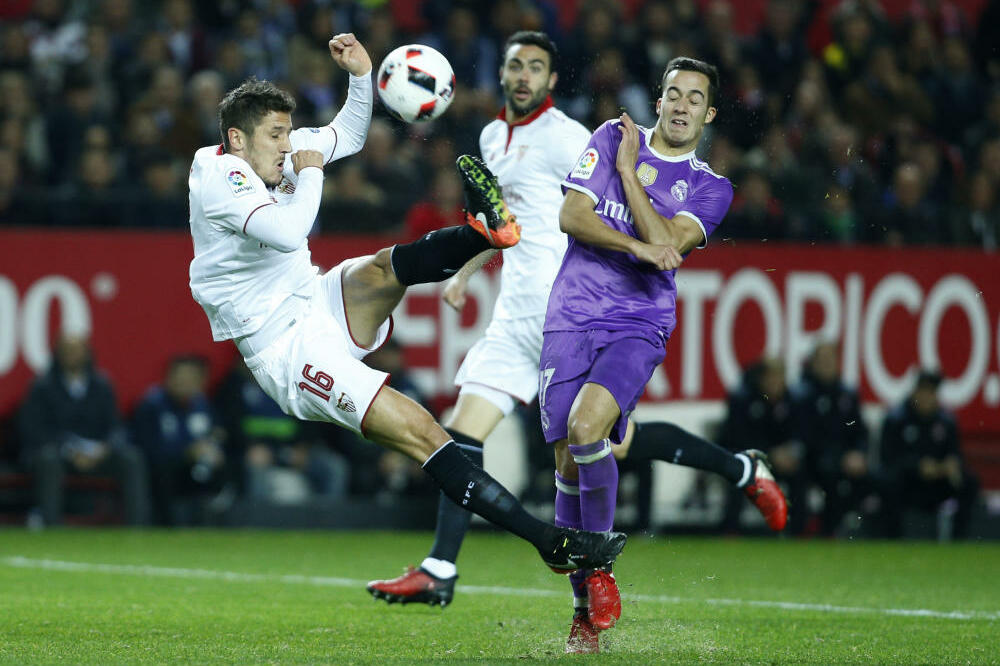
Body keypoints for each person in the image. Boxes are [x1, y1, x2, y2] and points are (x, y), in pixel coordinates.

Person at [366, 40, 785, 655]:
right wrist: (466, 272)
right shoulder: (514, 139)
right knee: (534, 448)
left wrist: (627, 183)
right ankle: (466, 573)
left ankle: (613, 556)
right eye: (673, 93)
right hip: (545, 315)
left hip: (622, 315)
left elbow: (660, 235)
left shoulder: (659, 167)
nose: (680, 106)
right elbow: (538, 218)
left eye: (696, 99)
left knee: (596, 434)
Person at [186, 33, 625, 578]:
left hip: (312, 296)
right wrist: (313, 168)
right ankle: (547, 541)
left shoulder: (276, 153)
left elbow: (346, 132)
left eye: (286, 133)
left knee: (382, 267)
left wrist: (360, 76)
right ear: (236, 139)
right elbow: (287, 227)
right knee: (425, 432)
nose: (285, 145)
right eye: (275, 135)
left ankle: (484, 233)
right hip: (285, 347)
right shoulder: (217, 176)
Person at [17, 333, 150, 526]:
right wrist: (69, 450)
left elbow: (115, 427)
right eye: (67, 351)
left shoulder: (102, 385)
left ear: (87, 354)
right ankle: (50, 525)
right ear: (57, 354)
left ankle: (138, 526)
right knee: (47, 460)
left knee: (132, 458)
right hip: (60, 454)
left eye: (76, 350)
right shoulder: (42, 387)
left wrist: (105, 449)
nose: (72, 355)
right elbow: (33, 430)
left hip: (98, 454)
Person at [880, 370, 980, 539]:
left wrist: (951, 465)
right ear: (915, 392)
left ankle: (959, 540)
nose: (927, 397)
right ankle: (893, 538)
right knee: (888, 482)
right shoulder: (896, 419)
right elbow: (888, 458)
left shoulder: (946, 421)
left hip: (936, 481)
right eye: (923, 391)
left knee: (969, 482)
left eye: (932, 392)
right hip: (909, 483)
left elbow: (954, 454)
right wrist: (917, 466)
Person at [792, 342, 878, 536]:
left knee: (876, 480)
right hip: (813, 460)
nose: (827, 364)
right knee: (829, 475)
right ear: (812, 363)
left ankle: (861, 530)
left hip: (844, 459)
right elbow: (805, 435)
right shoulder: (801, 395)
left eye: (831, 359)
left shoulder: (847, 394)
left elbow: (860, 431)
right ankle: (824, 530)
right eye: (822, 360)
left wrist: (859, 453)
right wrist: (841, 456)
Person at [132, 355, 227, 525]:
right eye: (179, 377)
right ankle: (166, 526)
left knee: (221, 469)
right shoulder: (152, 406)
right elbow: (148, 447)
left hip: (196, 467)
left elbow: (216, 434)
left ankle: (217, 526)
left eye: (190, 378)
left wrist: (215, 450)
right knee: (164, 473)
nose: (184, 383)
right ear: (168, 378)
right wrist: (187, 452)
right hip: (161, 470)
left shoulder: (203, 406)